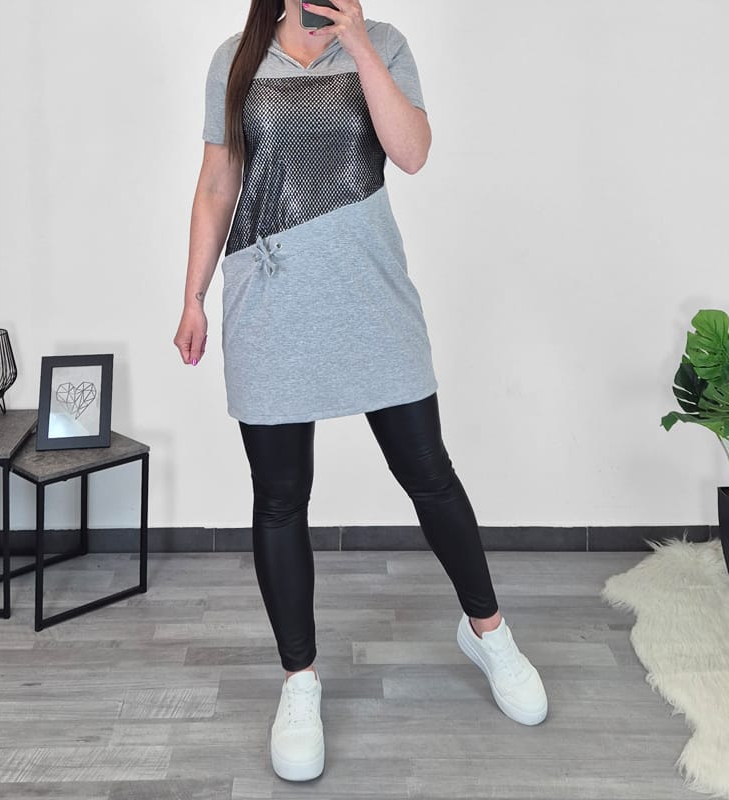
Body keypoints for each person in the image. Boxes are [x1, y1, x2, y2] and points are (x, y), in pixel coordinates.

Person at [174, 0, 548, 783]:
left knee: (429, 474)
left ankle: (488, 633)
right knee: (280, 497)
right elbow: (216, 184)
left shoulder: (385, 45)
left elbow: (411, 152)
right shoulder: (236, 58)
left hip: (370, 296)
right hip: (270, 300)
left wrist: (357, 43)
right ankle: (299, 681)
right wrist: (193, 297)